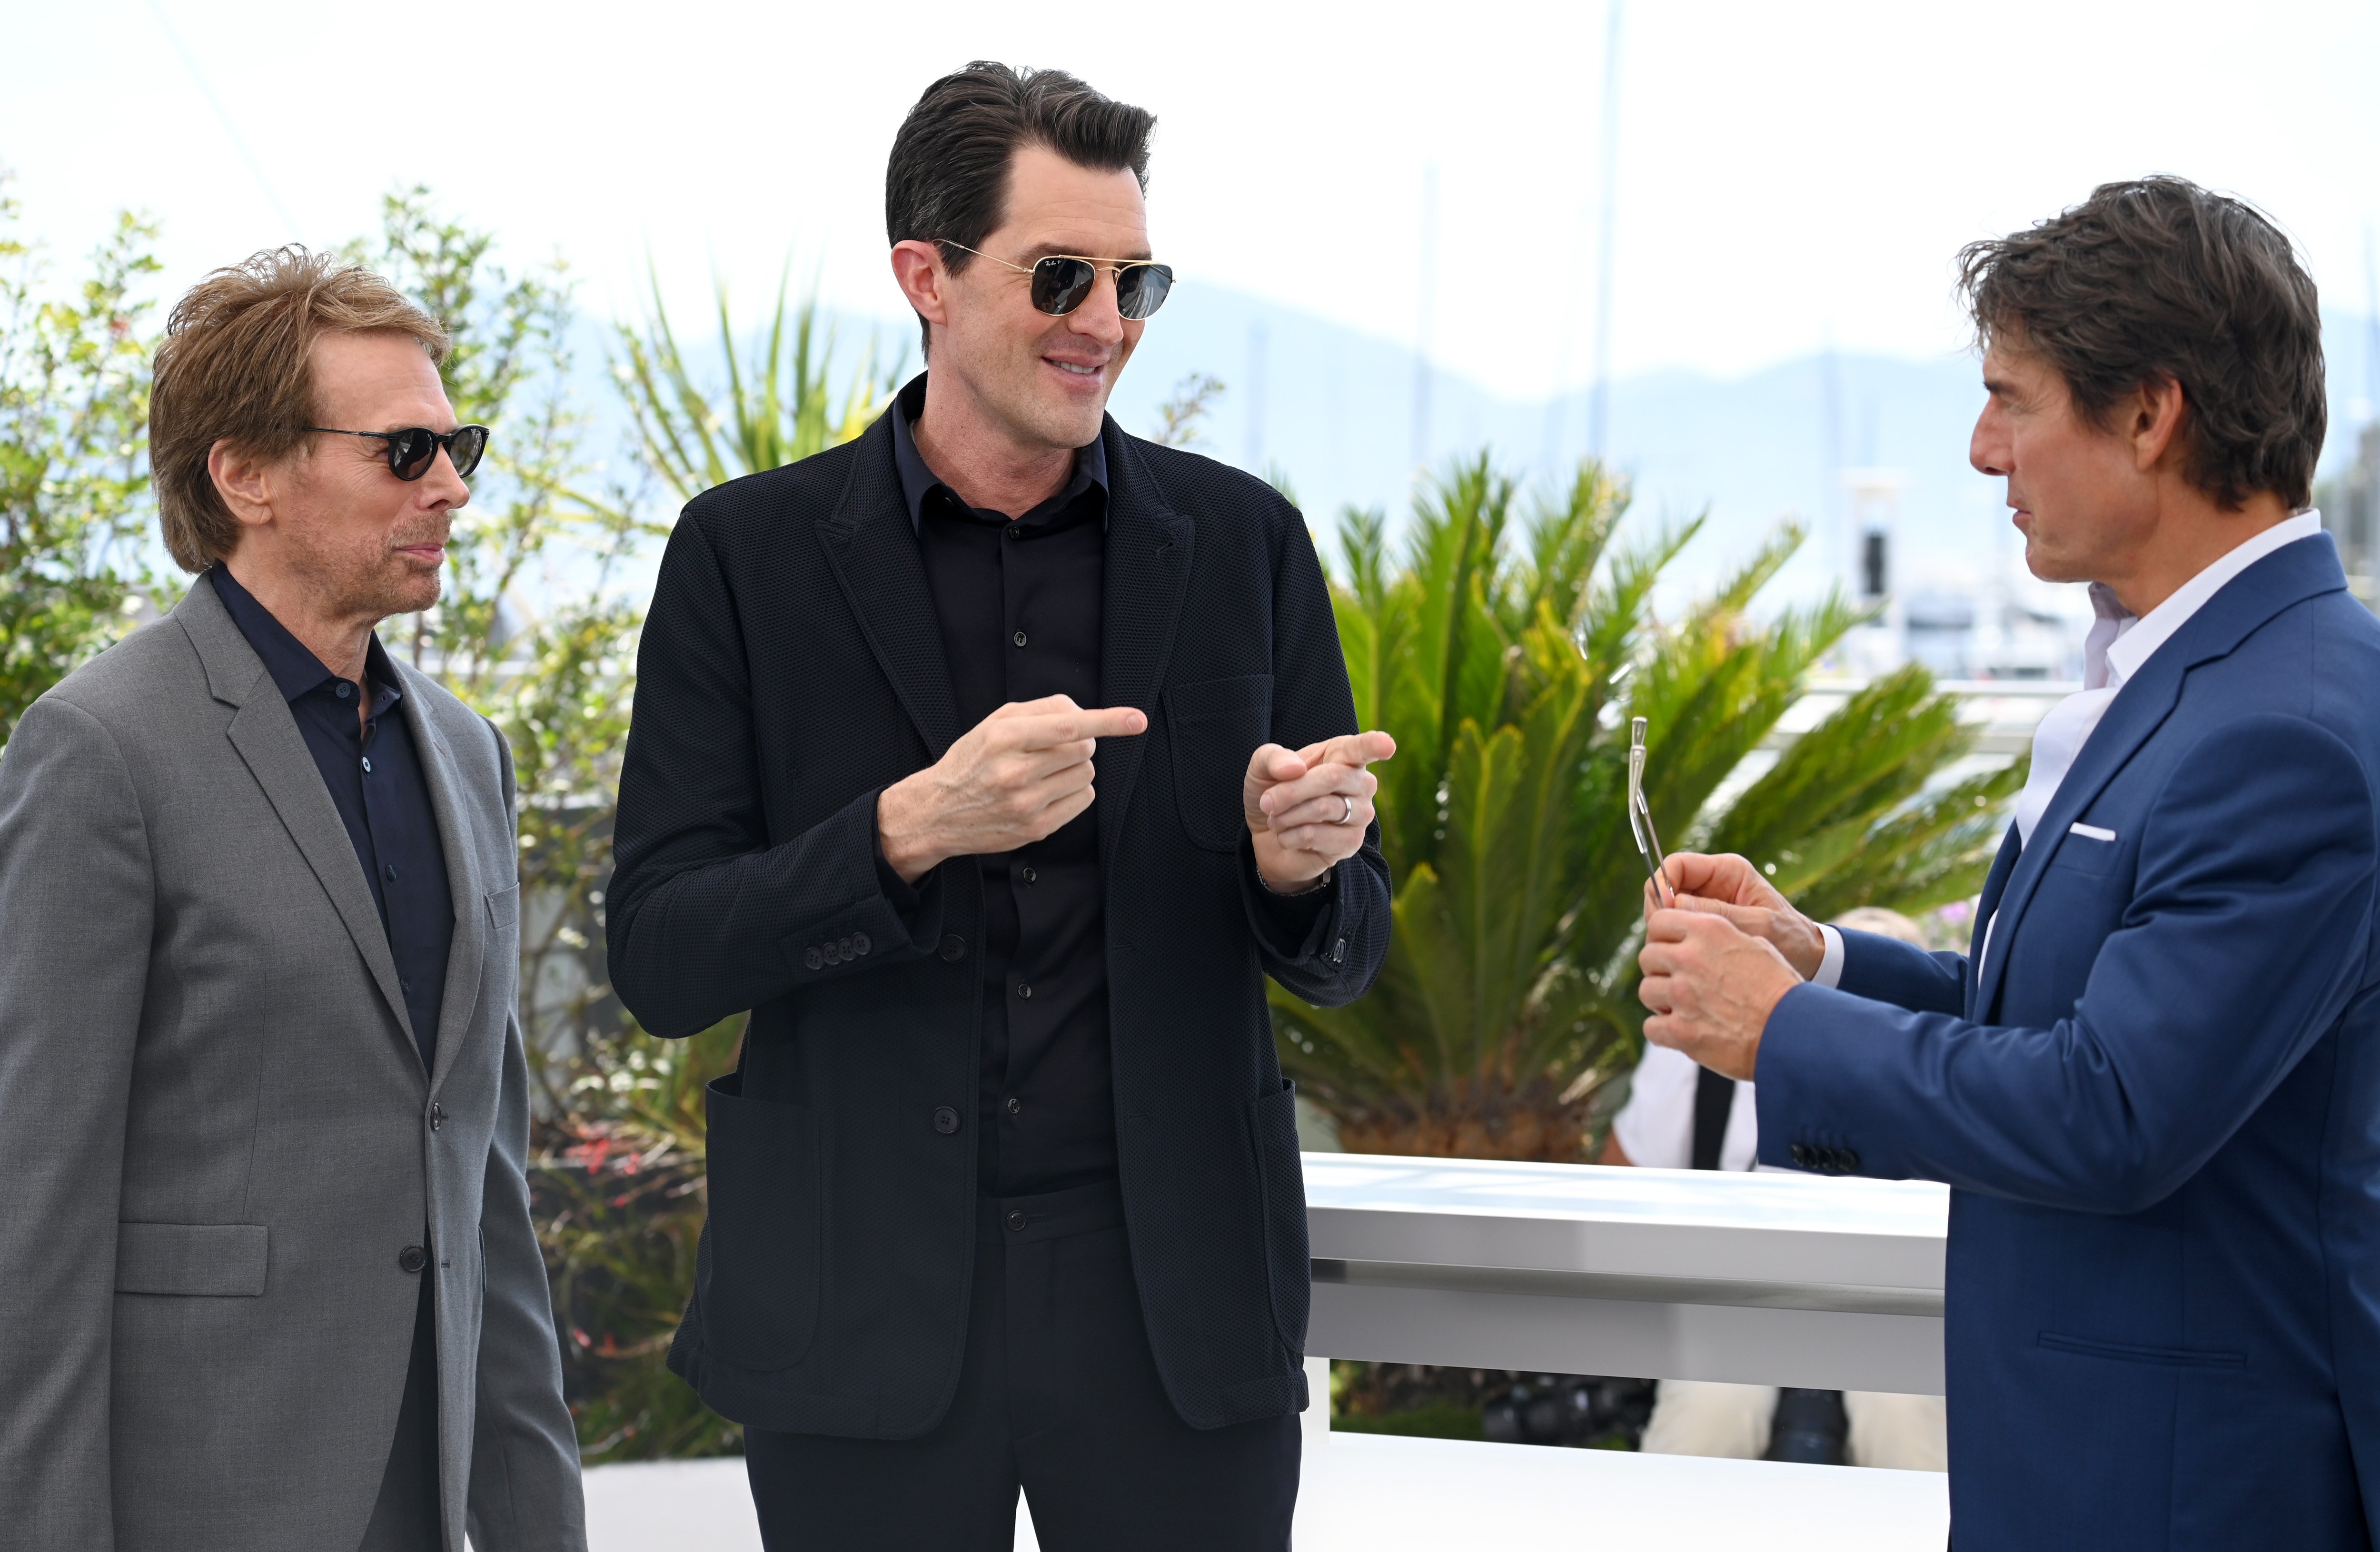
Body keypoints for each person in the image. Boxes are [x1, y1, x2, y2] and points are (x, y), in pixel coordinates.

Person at [605, 61, 1393, 1552]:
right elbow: (657, 952)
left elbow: (1349, 945)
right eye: (1058, 275)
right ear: (926, 275)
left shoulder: (1244, 544)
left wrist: (1303, 869)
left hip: (1177, 1313)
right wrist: (904, 831)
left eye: (1133, 279)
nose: (1105, 322)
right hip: (856, 1310)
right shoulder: (742, 556)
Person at [1636, 177, 2380, 1549]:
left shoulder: (2293, 729)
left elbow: (2111, 1111)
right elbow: (2071, 1021)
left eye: (2013, 399)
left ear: (2151, 415)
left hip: (2188, 1491)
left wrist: (1780, 1031)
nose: (1984, 453)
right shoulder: (2203, 677)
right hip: (2090, 1466)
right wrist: (1828, 960)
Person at [0, 249, 584, 1551]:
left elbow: (485, 1182)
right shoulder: (97, 749)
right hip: (206, 1495)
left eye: (457, 443)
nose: (454, 485)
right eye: (405, 450)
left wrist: (540, 1519)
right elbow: (33, 1216)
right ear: (245, 473)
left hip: (428, 1496)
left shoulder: (468, 750)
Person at [1608, 906, 1948, 1472]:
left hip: (1900, 1304)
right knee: (1707, 1416)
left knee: (1907, 1420)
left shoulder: (1948, 1077)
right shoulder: (1699, 1046)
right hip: (1745, 1292)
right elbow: (1625, 1181)